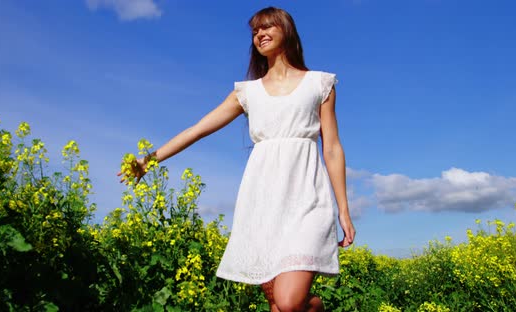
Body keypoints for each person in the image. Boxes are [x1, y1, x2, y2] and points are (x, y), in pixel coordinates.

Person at [120, 6, 355, 312]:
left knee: (288, 300)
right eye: (255, 31)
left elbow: (332, 148)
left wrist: (344, 211)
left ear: (288, 32)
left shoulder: (319, 84)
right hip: (263, 202)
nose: (260, 34)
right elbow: (197, 130)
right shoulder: (248, 93)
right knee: (277, 304)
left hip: (307, 199)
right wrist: (148, 160)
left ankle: (314, 306)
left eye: (268, 27)